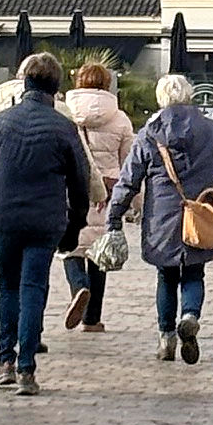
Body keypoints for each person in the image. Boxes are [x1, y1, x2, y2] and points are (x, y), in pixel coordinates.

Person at [0, 52, 91, 395]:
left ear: (24, 83)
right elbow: (80, 184)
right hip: (44, 221)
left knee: (7, 286)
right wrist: (74, 227)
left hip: (3, 217)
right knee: (34, 287)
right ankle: (26, 368)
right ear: (55, 87)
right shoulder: (63, 127)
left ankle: (5, 361)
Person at [104, 72, 213, 364]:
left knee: (166, 275)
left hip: (161, 217)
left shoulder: (149, 133)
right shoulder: (211, 130)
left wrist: (114, 216)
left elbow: (129, 179)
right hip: (200, 213)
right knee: (194, 272)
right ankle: (190, 316)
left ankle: (166, 337)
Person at [61, 63, 137, 333]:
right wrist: (134, 202)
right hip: (107, 194)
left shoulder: (65, 115)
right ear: (107, 84)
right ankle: (92, 319)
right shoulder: (120, 119)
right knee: (99, 252)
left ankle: (78, 286)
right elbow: (129, 163)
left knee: (70, 248)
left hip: (72, 190)